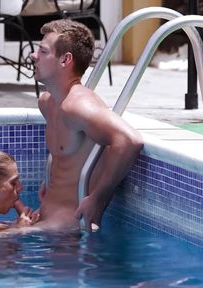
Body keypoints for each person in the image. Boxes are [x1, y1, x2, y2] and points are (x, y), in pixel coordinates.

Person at [28, 19, 144, 233]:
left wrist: (98, 198)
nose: (33, 55)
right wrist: (50, 182)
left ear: (65, 60)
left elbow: (129, 141)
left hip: (70, 231)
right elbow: (70, 154)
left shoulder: (78, 105)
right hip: (46, 220)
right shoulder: (47, 103)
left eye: (43, 52)